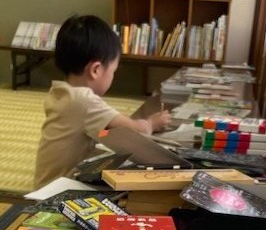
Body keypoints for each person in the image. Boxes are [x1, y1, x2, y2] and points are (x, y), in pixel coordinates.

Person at [33, 14, 171, 188]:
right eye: (113, 71)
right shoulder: (84, 100)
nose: (113, 76)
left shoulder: (60, 92)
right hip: (58, 192)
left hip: (46, 185)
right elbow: (137, 131)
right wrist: (152, 122)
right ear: (96, 70)